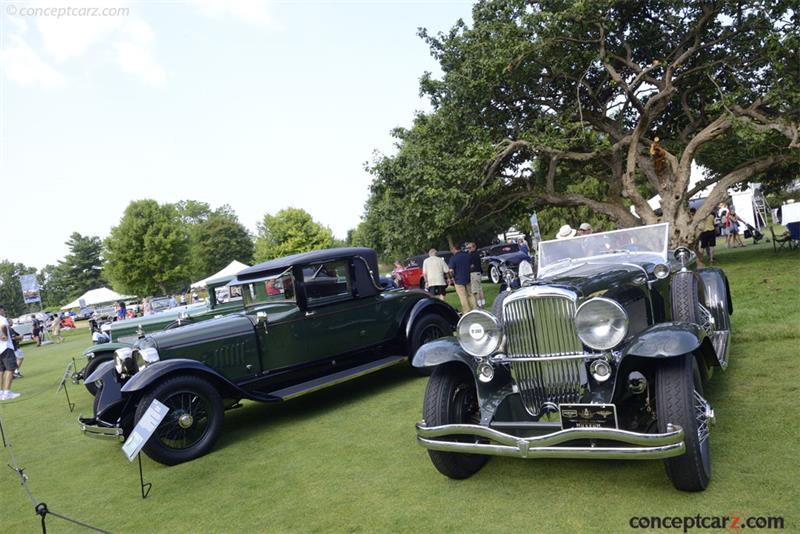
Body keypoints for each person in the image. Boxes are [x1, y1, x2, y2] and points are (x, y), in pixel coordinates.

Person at [0, 305, 22, 400]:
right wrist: (4, 335)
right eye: (3, 310)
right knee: (10, 369)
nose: (4, 312)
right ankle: (7, 393)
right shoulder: (2, 318)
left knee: (0, 372)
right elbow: (3, 326)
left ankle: (1, 393)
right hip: (6, 348)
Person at [448, 244, 477, 313]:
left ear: (455, 249)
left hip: (458, 280)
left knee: (462, 296)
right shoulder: (467, 256)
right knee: (471, 294)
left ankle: (467, 311)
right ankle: (475, 308)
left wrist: (451, 277)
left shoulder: (453, 258)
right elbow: (472, 266)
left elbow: (451, 270)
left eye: (452, 249)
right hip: (468, 278)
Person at [466, 242, 486, 308]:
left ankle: (479, 304)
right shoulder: (477, 254)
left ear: (474, 247)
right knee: (480, 289)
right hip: (478, 273)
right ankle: (483, 303)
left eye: (469, 248)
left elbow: (471, 266)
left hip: (474, 273)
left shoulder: (471, 255)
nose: (468, 249)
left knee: (475, 290)